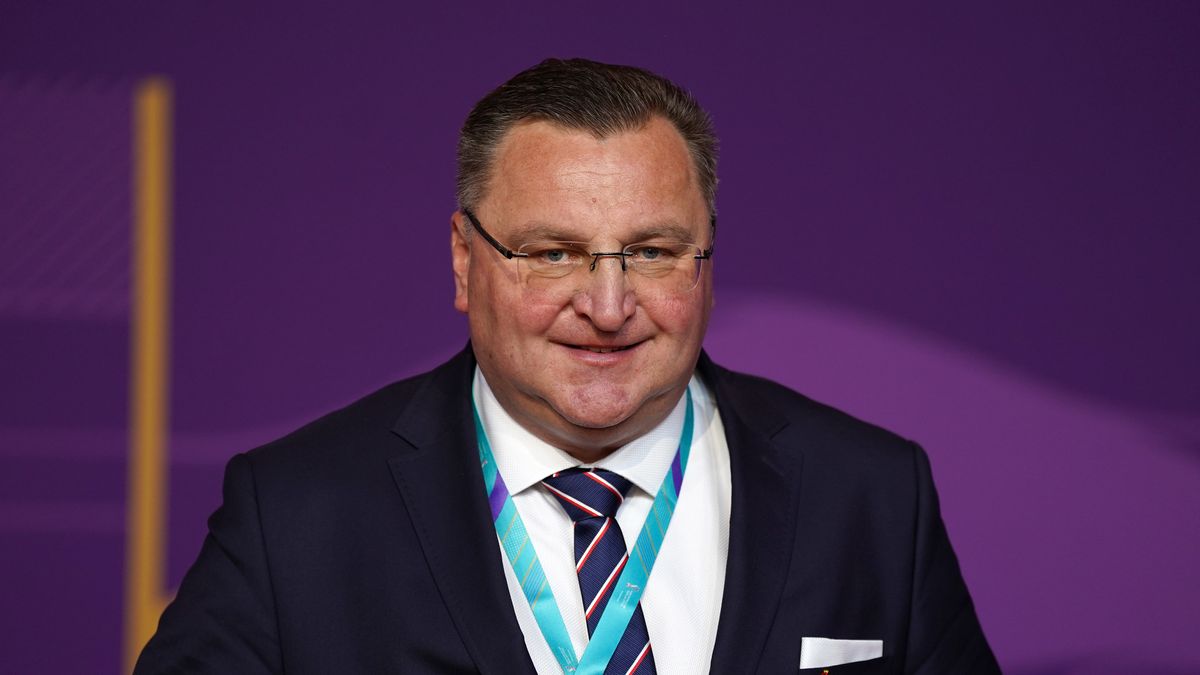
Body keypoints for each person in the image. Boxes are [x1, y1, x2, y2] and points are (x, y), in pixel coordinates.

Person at [135, 58, 1000, 674]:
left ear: (707, 259)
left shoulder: (871, 495)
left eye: (653, 251)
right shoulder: (297, 515)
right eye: (553, 253)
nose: (608, 305)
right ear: (464, 262)